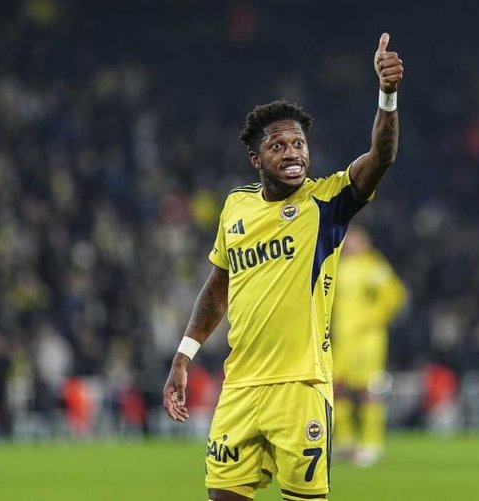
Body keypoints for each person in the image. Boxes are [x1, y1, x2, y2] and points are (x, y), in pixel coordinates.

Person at [162, 33, 403, 501]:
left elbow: (382, 156)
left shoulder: (327, 202)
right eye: (278, 146)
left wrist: (387, 96)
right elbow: (218, 286)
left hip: (301, 388)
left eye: (299, 143)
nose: (293, 152)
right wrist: (183, 355)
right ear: (256, 159)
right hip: (240, 387)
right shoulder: (235, 207)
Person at [331, 225, 406, 466]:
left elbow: (395, 294)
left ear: (365, 242)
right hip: (341, 339)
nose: (350, 244)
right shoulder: (337, 264)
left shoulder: (373, 266)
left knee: (367, 389)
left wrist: (373, 319)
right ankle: (344, 442)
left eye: (355, 240)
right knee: (335, 387)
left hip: (367, 339)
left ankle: (371, 444)